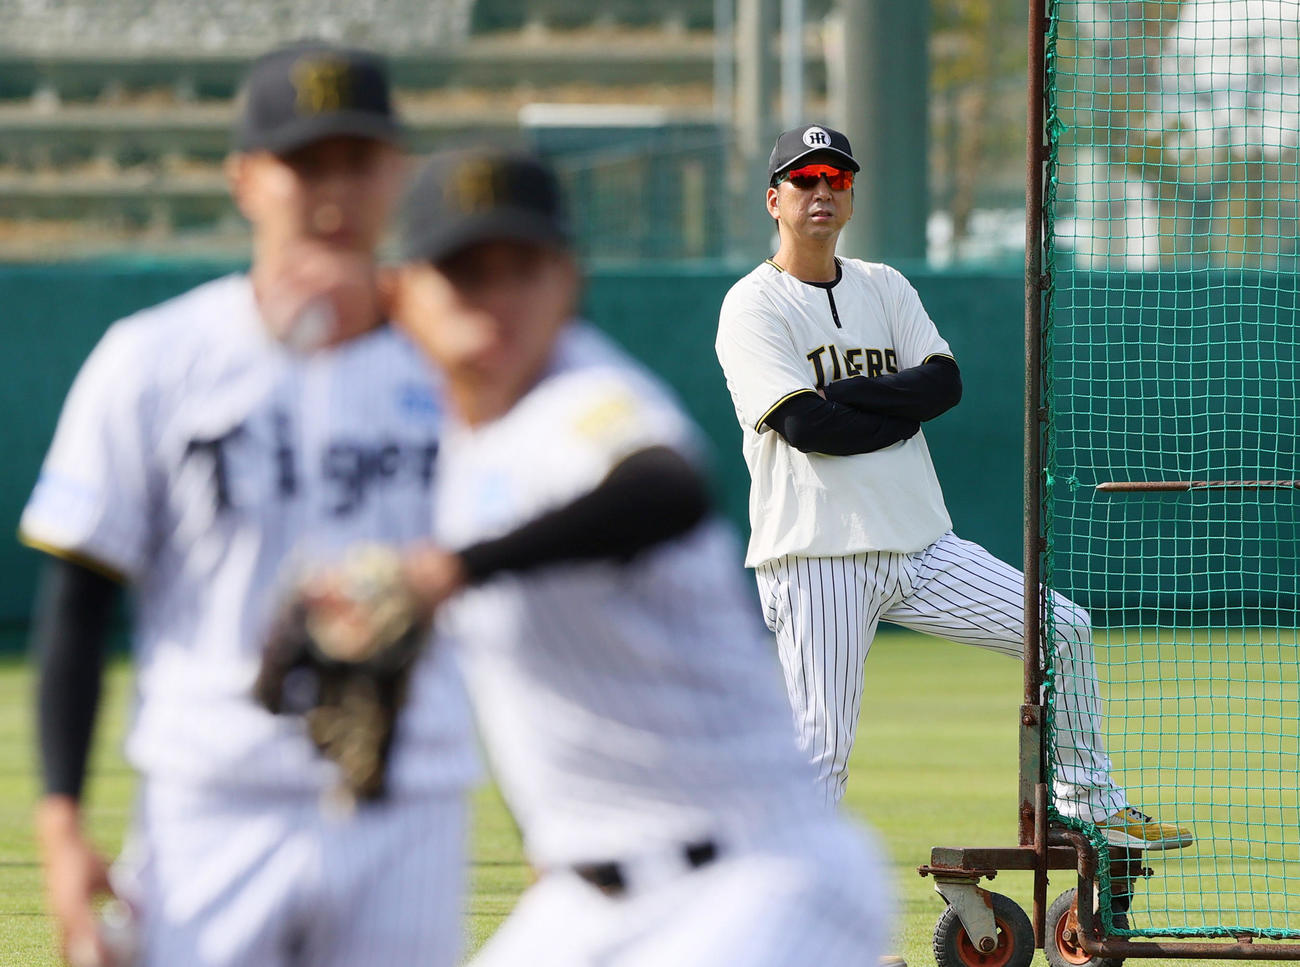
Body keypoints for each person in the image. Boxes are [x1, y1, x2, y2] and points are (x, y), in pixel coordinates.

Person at [358, 146, 893, 965]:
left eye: (523, 269)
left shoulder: (588, 399)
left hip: (756, 875)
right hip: (586, 898)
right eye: (466, 271)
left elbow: (664, 487)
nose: (496, 299)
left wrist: (452, 570)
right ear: (401, 294)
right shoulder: (430, 441)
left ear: (568, 280)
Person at [21, 42, 477, 967]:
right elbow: (77, 601)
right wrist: (62, 821)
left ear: (397, 173)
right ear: (244, 180)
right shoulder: (153, 358)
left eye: (357, 161)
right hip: (213, 802)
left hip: (411, 797)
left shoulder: (468, 365)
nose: (333, 192)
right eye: (305, 163)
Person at [713, 122, 1193, 849]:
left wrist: (855, 398)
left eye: (835, 179)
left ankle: (1091, 804)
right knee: (820, 753)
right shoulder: (754, 304)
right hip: (818, 554)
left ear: (850, 196)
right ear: (773, 198)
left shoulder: (885, 285)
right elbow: (809, 426)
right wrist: (891, 408)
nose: (821, 191)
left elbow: (942, 383)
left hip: (921, 546)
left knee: (1060, 629)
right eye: (805, 179)